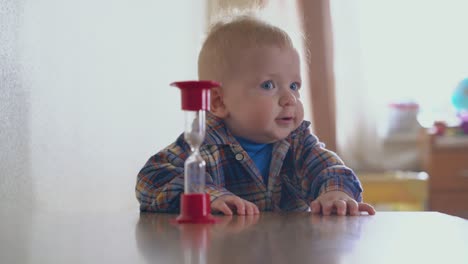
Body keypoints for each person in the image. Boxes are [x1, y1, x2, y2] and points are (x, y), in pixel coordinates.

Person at [136, 12, 375, 216]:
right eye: (269, 85)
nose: (290, 98)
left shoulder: (297, 141)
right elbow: (151, 178)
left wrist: (335, 193)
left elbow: (329, 169)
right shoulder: (204, 142)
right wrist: (209, 196)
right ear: (219, 101)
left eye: (294, 85)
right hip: (224, 253)